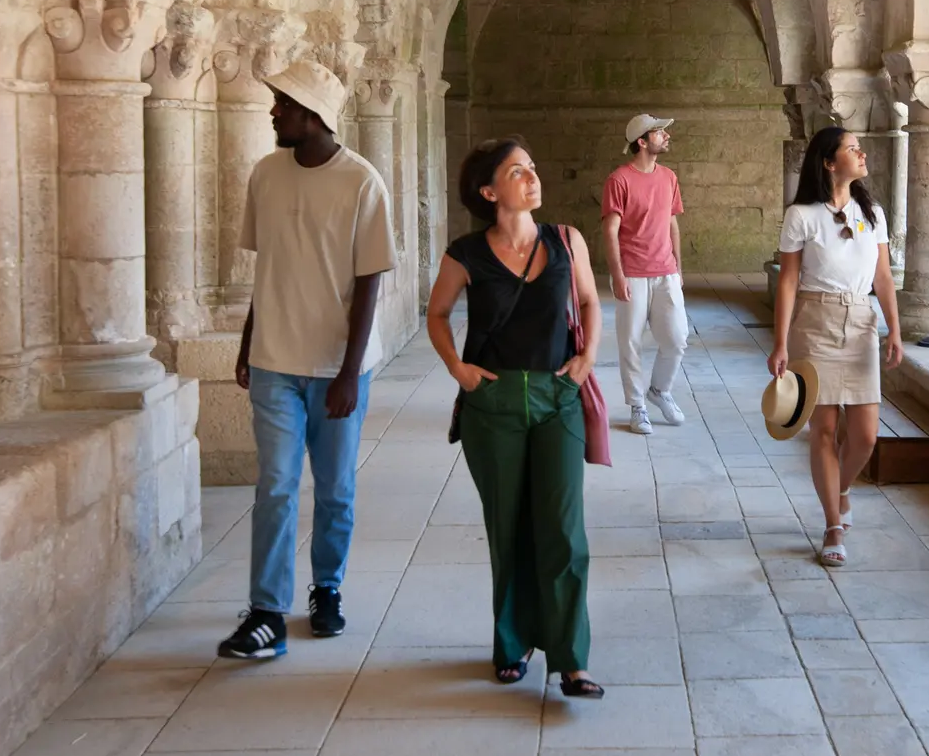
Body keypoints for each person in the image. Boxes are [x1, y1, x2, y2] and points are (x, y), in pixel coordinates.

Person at [218, 60, 395, 660]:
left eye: (283, 105)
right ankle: (267, 611)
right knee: (275, 485)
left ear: (313, 115)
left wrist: (349, 370)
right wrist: (247, 343)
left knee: (337, 490)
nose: (273, 112)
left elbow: (370, 282)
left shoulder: (362, 182)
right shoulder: (265, 175)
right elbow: (267, 267)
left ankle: (327, 589)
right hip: (273, 360)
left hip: (336, 369)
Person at [426, 135, 606, 699]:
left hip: (557, 397)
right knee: (509, 530)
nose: (531, 178)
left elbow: (591, 302)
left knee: (563, 530)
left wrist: (587, 357)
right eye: (516, 172)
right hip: (494, 403)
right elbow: (437, 313)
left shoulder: (566, 240)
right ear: (488, 191)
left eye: (531, 167)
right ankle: (512, 643)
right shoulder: (466, 253)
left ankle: (571, 659)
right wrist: (458, 368)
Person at [767, 125, 903, 568]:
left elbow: (882, 278)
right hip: (815, 322)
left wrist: (894, 330)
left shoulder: (873, 212)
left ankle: (841, 489)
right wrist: (780, 341)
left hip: (861, 322)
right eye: (852, 149)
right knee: (822, 431)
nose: (861, 154)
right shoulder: (801, 215)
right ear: (829, 162)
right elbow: (788, 280)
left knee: (865, 435)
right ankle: (831, 524)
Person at [601, 114, 689, 436]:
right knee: (631, 344)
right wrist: (617, 275)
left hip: (665, 272)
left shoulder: (668, 177)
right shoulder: (619, 180)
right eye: (659, 132)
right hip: (633, 273)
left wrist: (678, 269)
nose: (666, 136)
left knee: (677, 339)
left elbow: (672, 224)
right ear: (642, 141)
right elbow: (610, 232)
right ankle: (638, 406)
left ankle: (659, 390)